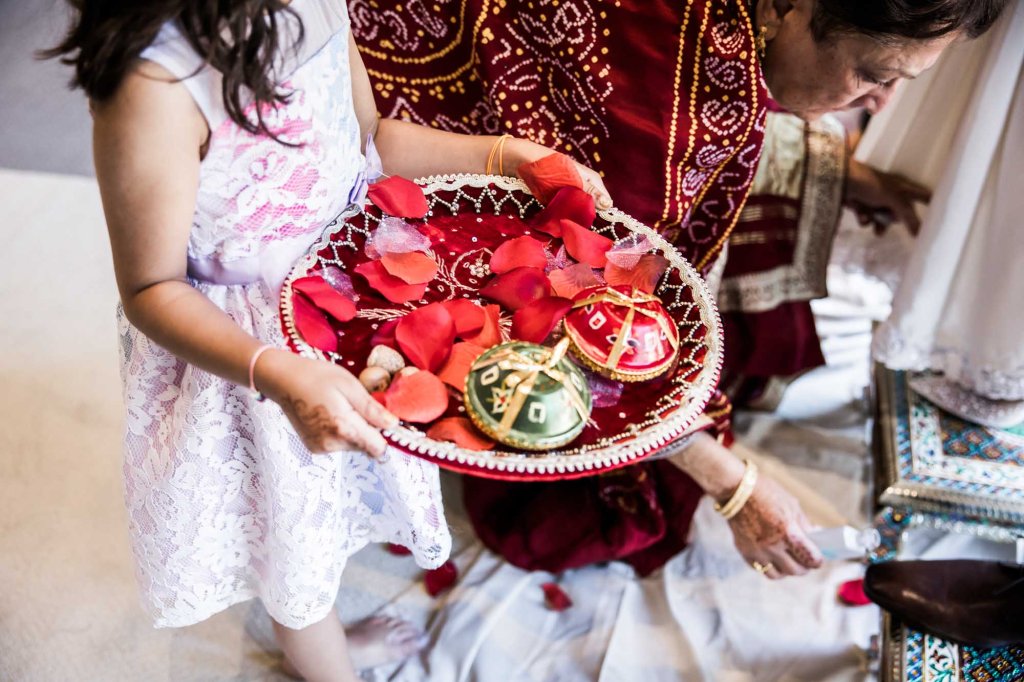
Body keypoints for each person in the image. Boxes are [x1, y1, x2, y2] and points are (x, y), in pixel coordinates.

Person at [350, 0, 1010, 580]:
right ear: (792, 7)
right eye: (873, 73)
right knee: (575, 514)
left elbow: (743, 127)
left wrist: (846, 177)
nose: (880, 102)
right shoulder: (655, 98)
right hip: (379, 126)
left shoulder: (731, 42)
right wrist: (734, 485)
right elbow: (585, 293)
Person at [45, 1, 608, 680]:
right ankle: (327, 668)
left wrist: (505, 156)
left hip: (348, 299)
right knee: (294, 537)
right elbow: (151, 290)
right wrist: (279, 374)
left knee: (340, 492)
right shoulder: (152, 86)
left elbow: (370, 139)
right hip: (250, 353)